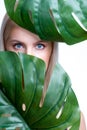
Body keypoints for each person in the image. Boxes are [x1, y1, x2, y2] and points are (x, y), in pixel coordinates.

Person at [0, 14, 86, 130]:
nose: (29, 56)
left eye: (39, 46)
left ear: (51, 51)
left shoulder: (69, 120)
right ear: (4, 46)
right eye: (18, 45)